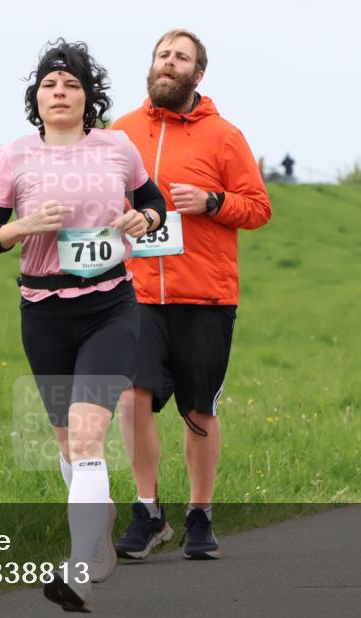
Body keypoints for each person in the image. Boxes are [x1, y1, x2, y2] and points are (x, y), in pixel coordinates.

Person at [0, 39, 166, 611]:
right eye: (50, 85)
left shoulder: (116, 147)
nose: (60, 93)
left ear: (88, 98)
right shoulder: (14, 156)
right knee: (70, 446)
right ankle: (98, 537)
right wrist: (21, 226)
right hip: (44, 312)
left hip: (109, 307)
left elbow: (152, 202)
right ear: (37, 97)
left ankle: (77, 570)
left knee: (86, 436)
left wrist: (144, 215)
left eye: (72, 85)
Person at [111, 29, 271, 560]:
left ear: (197, 75)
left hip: (205, 293)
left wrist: (211, 200)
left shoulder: (224, 136)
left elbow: (258, 208)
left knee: (198, 411)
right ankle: (148, 511)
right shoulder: (122, 132)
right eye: (162, 55)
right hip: (134, 294)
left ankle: (199, 515)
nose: (168, 63)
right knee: (132, 398)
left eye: (180, 58)